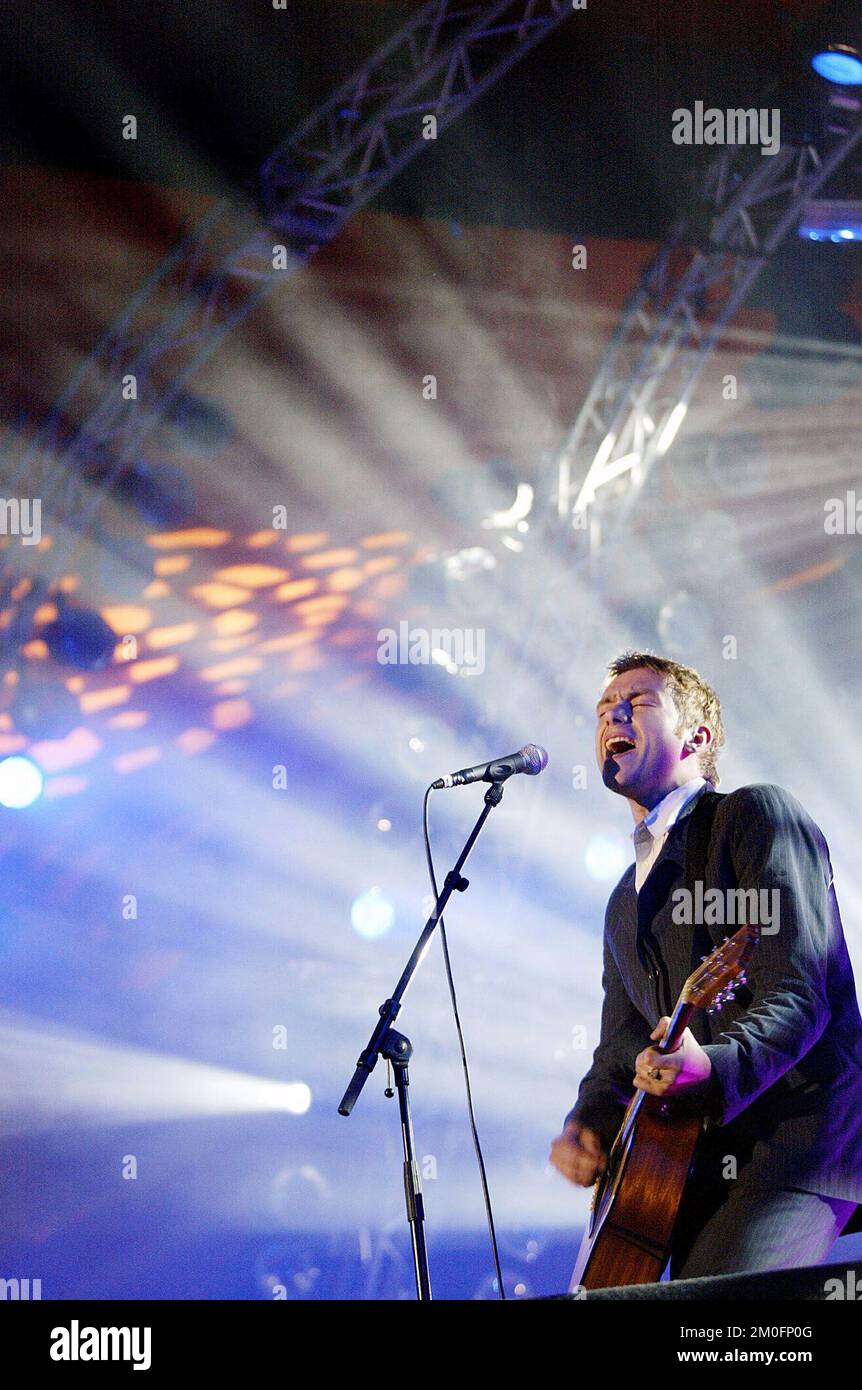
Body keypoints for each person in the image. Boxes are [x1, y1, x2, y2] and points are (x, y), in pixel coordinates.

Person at [549, 651, 862, 1279]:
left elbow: (800, 991)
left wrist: (713, 1069)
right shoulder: (621, 902)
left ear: (697, 737)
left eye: (637, 701)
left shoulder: (752, 817)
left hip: (795, 1146)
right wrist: (588, 1121)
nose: (613, 713)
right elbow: (620, 1046)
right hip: (689, 1167)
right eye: (604, 708)